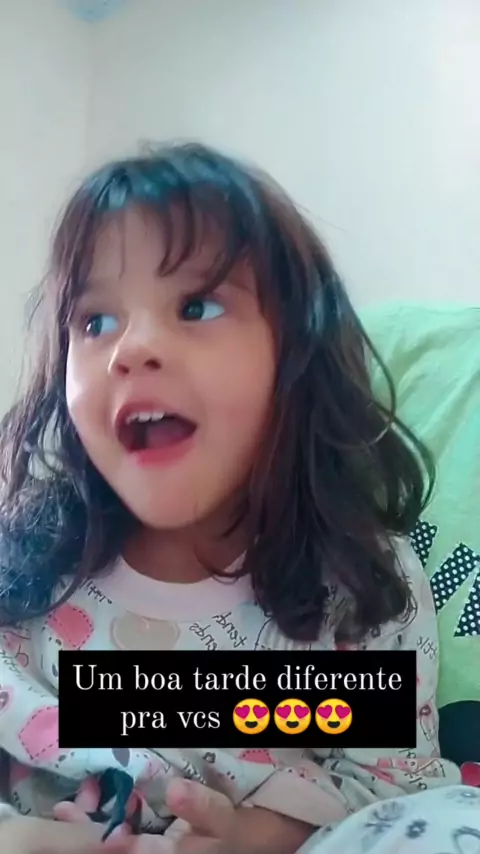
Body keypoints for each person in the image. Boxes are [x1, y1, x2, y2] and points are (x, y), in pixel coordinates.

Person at [0, 143, 470, 853]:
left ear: (299, 360)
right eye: (95, 322)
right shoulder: (29, 576)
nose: (130, 348)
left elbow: (393, 793)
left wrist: (255, 837)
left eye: (196, 305)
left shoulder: (361, 588)